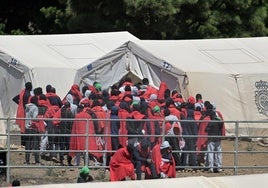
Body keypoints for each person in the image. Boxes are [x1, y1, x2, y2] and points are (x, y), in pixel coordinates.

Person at [13, 82, 33, 146]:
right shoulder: (28, 95)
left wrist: (20, 105)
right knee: (26, 128)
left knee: (22, 128)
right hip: (26, 112)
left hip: (21, 111)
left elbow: (14, 99)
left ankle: (23, 143)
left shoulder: (22, 93)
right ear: (30, 87)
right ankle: (25, 144)